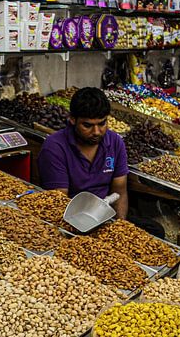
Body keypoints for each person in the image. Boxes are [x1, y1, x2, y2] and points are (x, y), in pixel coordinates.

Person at [37, 87, 165, 238]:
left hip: (105, 216)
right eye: (88, 125)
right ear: (72, 119)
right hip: (73, 220)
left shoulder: (115, 142)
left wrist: (119, 227)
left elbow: (119, 190)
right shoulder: (55, 147)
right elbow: (59, 202)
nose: (96, 131)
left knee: (155, 230)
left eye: (102, 123)